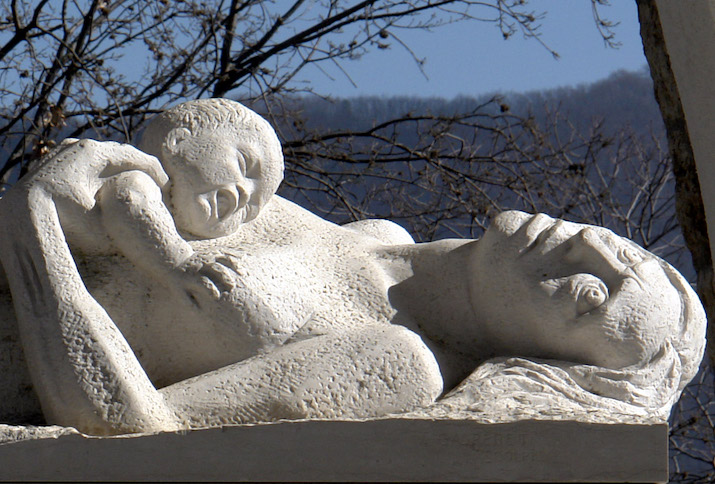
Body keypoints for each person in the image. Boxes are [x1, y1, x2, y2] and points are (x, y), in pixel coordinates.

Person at [0, 100, 706, 436]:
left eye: (588, 293)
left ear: (545, 362)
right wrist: (97, 172)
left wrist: (34, 235)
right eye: (622, 251)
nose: (582, 246)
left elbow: (137, 433)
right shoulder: (371, 233)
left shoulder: (399, 362)